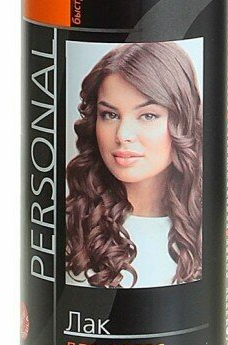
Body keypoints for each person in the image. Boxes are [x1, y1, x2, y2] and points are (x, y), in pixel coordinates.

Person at [65, 41, 203, 288]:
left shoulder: (209, 224)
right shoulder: (67, 225)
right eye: (110, 115)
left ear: (182, 121)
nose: (122, 134)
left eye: (148, 116)